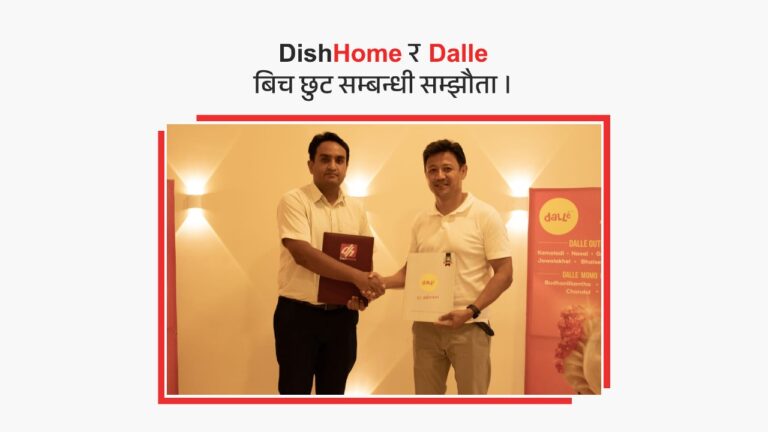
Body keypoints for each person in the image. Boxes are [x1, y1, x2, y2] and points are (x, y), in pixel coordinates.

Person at [374, 139, 513, 394]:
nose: (440, 176)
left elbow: (505, 273)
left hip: (470, 327)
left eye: (447, 168)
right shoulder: (421, 221)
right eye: (432, 170)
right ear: (426, 175)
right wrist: (379, 282)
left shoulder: (485, 215)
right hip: (426, 328)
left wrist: (471, 310)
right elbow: (410, 272)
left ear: (463, 171)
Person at [275, 132, 384, 395]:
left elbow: (362, 260)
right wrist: (357, 278)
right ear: (311, 164)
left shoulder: (356, 209)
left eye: (339, 160)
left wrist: (361, 295)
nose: (333, 166)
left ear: (346, 166)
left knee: (334, 393)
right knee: (293, 392)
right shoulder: (293, 200)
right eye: (325, 159)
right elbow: (303, 254)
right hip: (298, 317)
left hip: (342, 319)